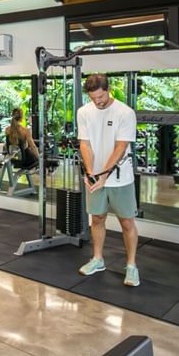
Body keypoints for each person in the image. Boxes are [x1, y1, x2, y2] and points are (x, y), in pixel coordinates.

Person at [76, 74, 140, 287]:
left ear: (108, 89)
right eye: (94, 98)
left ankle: (131, 266)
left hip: (120, 178)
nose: (98, 101)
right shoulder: (84, 112)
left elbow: (120, 148)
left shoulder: (125, 112)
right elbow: (84, 144)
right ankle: (97, 259)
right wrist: (90, 172)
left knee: (127, 222)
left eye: (101, 96)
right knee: (97, 219)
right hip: (96, 176)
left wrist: (103, 175)